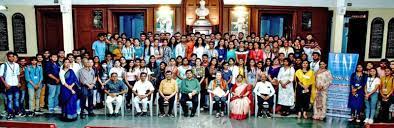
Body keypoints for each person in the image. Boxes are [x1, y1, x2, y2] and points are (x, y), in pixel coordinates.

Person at [0, 52, 21, 120]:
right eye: (10, 56)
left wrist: (18, 82)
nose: (11, 58)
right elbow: (1, 76)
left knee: (17, 99)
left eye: (13, 56)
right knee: (9, 99)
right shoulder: (4, 65)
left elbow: (18, 74)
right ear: (7, 57)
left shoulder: (17, 65)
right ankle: (10, 112)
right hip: (8, 85)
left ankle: (17, 111)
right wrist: (5, 84)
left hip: (16, 85)